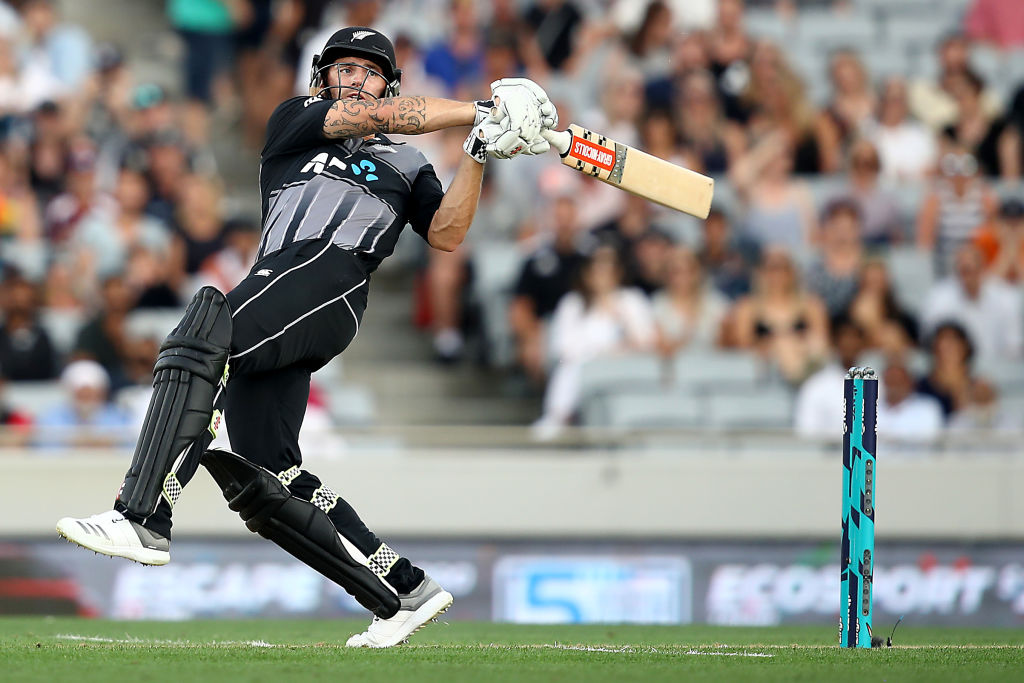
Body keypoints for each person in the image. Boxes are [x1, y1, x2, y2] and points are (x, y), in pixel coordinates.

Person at [56, 27, 558, 648]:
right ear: (323, 79)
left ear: (388, 80)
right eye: (341, 68)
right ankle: (401, 591)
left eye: (368, 70)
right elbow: (375, 115)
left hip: (332, 277)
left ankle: (143, 518)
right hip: (285, 281)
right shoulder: (294, 120)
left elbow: (448, 233)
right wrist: (476, 110)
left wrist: (479, 151)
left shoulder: (408, 163)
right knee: (268, 474)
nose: (353, 77)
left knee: (200, 334)